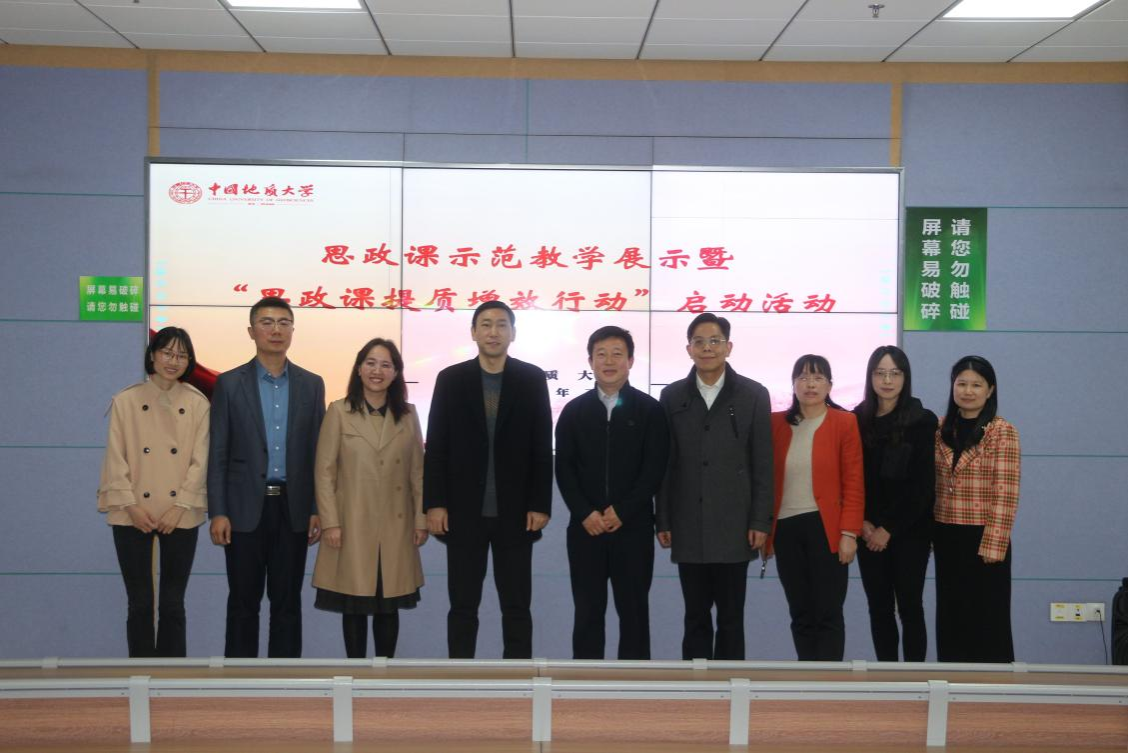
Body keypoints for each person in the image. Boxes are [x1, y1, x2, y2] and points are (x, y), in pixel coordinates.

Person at [423, 300, 552, 658]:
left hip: (517, 512)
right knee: (463, 606)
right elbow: (437, 446)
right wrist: (435, 503)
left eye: (501, 325)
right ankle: (459, 677)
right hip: (463, 512)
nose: (493, 332)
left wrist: (540, 503)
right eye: (485, 324)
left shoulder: (531, 378)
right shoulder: (451, 379)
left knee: (517, 606)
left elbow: (541, 446)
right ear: (473, 332)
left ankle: (519, 678)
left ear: (513, 333)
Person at [207, 296, 326, 658]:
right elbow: (219, 452)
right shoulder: (229, 383)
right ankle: (239, 682)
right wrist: (218, 511)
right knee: (243, 601)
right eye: (267, 322)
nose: (276, 330)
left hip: (293, 508)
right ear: (251, 331)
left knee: (287, 601)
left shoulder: (311, 384)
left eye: (283, 323)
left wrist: (316, 508)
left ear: (292, 330)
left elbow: (318, 454)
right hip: (243, 509)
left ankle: (285, 680)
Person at [656, 313, 773, 661]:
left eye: (715, 341)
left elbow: (763, 464)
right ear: (689, 349)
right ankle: (694, 687)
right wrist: (663, 519)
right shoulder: (672, 396)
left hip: (735, 525)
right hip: (688, 523)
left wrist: (760, 521)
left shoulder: (753, 394)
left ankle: (731, 683)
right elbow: (666, 464)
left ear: (729, 347)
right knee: (695, 617)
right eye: (699, 342)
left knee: (731, 619)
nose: (707, 348)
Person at [555, 326, 669, 660]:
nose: (609, 361)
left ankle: (635, 685)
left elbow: (654, 469)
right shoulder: (573, 412)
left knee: (634, 614)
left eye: (617, 354)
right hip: (585, 529)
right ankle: (584, 684)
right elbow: (564, 469)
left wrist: (623, 511)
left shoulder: (650, 410)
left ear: (630, 361)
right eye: (601, 354)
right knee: (587, 612)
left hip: (632, 528)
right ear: (590, 361)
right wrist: (584, 513)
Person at [311, 338, 427, 658]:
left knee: (389, 604)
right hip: (351, 524)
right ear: (359, 369)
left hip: (396, 525)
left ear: (396, 373)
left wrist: (420, 520)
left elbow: (418, 474)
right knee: (355, 603)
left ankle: (385, 674)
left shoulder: (408, 415)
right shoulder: (338, 411)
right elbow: (324, 472)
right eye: (371, 363)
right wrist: (330, 523)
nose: (378, 371)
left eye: (386, 365)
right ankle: (355, 673)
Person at [97, 327, 209, 657]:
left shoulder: (198, 403)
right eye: (167, 353)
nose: (174, 361)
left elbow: (200, 461)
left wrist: (181, 505)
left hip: (180, 513)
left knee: (173, 603)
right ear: (152, 355)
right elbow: (115, 457)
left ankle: (173, 676)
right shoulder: (125, 400)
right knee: (139, 602)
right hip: (131, 511)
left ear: (189, 361)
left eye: (182, 355)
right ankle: (140, 672)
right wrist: (130, 506)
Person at [768, 354, 864, 662]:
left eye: (818, 378)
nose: (810, 384)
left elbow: (854, 481)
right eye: (804, 377)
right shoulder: (776, 424)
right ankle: (806, 677)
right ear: (793, 384)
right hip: (786, 528)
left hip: (827, 529)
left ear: (830, 386)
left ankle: (829, 681)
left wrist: (849, 532)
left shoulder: (844, 422)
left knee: (828, 612)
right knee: (800, 612)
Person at [853, 345, 937, 662]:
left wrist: (888, 528)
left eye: (895, 373)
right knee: (879, 607)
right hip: (866, 531)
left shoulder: (922, 420)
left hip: (909, 531)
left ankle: (915, 679)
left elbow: (923, 486)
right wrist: (863, 523)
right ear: (870, 377)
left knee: (910, 607)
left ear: (905, 377)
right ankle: (886, 676)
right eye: (880, 373)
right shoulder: (856, 419)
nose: (887, 380)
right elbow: (851, 478)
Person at [934, 355, 1020, 663]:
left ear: (990, 390)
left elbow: (1006, 492)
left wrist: (994, 543)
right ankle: (950, 680)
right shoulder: (940, 428)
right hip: (946, 535)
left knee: (988, 618)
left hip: (984, 537)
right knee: (950, 615)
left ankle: (994, 685)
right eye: (961, 384)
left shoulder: (1002, 431)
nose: (968, 391)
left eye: (976, 385)